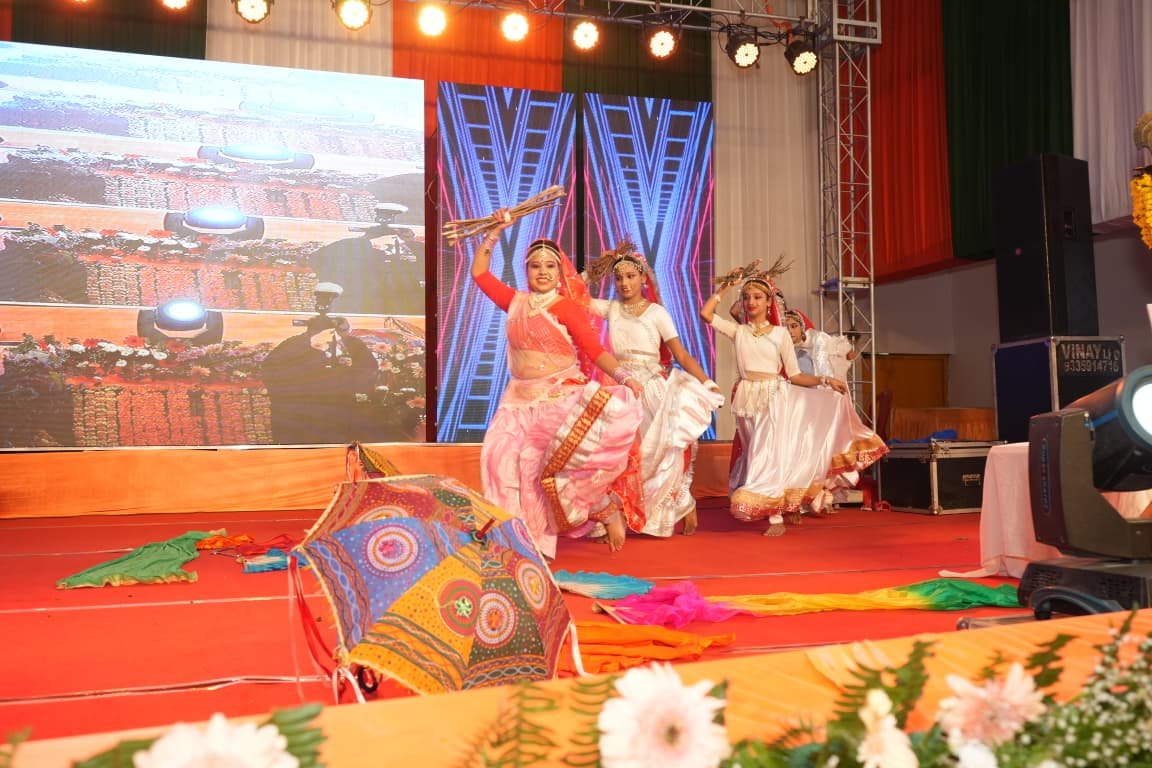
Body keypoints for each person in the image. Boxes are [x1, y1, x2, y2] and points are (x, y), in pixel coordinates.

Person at [471, 210, 643, 558]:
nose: (543, 272)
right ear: (526, 270)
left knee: (535, 471)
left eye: (550, 266)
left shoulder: (566, 308)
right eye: (536, 266)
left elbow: (594, 350)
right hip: (516, 401)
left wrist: (625, 377)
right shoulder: (514, 301)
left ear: (560, 271)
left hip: (557, 398)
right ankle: (511, 539)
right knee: (497, 463)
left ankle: (573, 525)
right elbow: (480, 274)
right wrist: (495, 231)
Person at [700, 276, 886, 537]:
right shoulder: (739, 331)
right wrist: (725, 288)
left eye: (757, 297)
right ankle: (779, 503)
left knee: (767, 455)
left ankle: (775, 516)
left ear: (769, 303)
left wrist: (825, 380)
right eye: (747, 297)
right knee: (755, 453)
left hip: (774, 398)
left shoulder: (780, 335)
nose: (751, 302)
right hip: (746, 399)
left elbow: (795, 375)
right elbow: (706, 314)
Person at [582, 248, 724, 537]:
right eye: (619, 277)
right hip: (619, 385)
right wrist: (592, 272)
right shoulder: (611, 308)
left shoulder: (657, 312)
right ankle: (614, 519)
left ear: (643, 278)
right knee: (616, 453)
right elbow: (572, 298)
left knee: (653, 453)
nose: (624, 283)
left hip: (650, 387)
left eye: (630, 276)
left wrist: (707, 382)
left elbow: (680, 354)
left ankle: (672, 506)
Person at [261, 314, 381, 445]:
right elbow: (271, 370)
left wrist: (349, 379)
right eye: (336, 331)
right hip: (301, 409)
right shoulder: (294, 344)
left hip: (338, 407)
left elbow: (369, 368)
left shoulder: (354, 344)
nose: (342, 335)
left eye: (345, 330)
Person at [783, 308, 857, 382]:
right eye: (786, 328)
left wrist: (844, 353)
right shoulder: (785, 347)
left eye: (794, 326)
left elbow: (844, 351)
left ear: (801, 326)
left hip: (825, 383)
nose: (790, 331)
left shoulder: (816, 337)